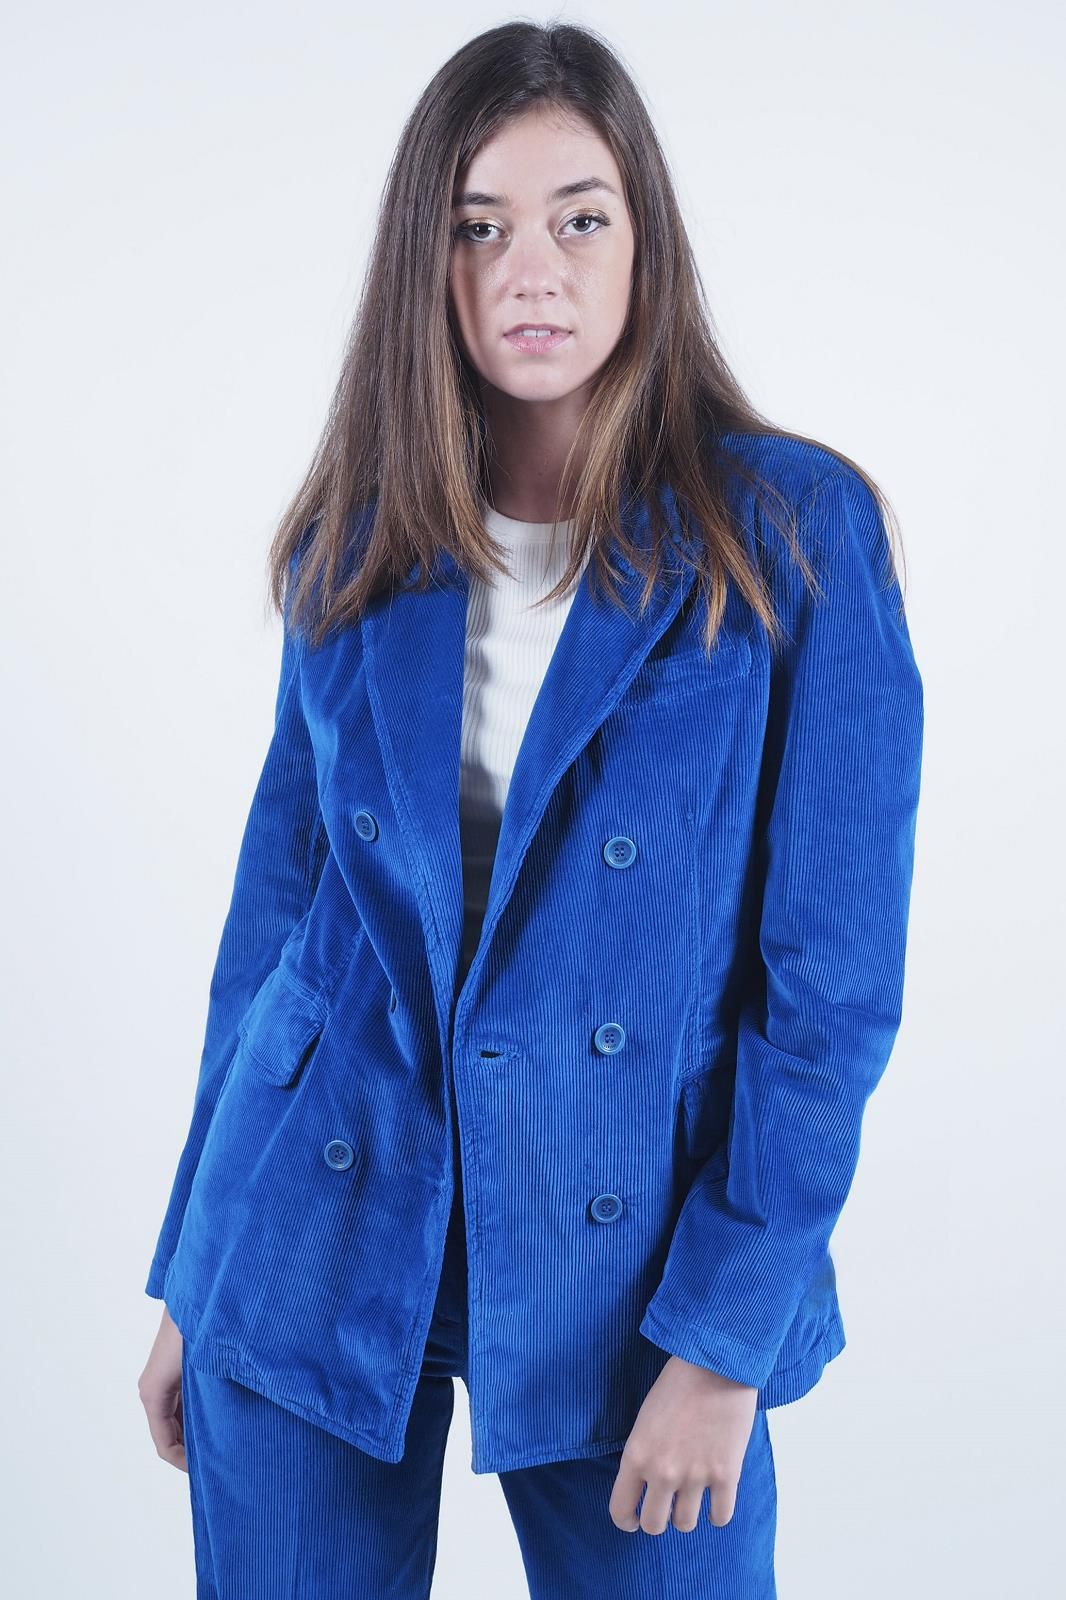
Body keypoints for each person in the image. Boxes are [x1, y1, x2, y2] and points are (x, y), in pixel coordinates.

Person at [137, 20, 924, 1599]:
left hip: (626, 1260)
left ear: (645, 240)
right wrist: (191, 1269)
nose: (530, 274)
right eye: (477, 228)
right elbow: (275, 924)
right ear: (423, 264)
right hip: (312, 1223)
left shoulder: (789, 531)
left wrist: (722, 1340)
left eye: (578, 218)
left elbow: (827, 994)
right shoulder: (358, 540)